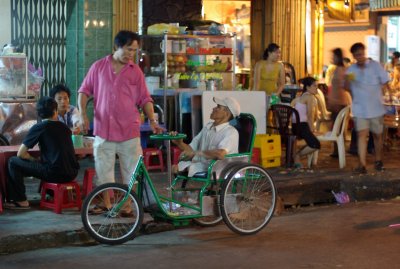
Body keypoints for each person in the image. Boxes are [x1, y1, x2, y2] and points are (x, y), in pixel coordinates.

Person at [77, 30, 163, 189]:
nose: (131, 54)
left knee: (132, 173)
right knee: (104, 173)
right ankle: (108, 206)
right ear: (117, 46)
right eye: (128, 49)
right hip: (104, 130)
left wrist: (152, 120)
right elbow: (84, 91)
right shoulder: (98, 67)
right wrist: (82, 114)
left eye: (134, 51)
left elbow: (145, 98)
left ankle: (128, 206)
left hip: (129, 130)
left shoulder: (135, 71)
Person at [5, 96, 80, 209]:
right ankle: (50, 194)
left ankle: (21, 200)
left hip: (54, 174)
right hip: (72, 173)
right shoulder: (65, 128)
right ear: (55, 111)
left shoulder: (39, 127)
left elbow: (20, 154)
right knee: (47, 162)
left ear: (39, 114)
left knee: (13, 162)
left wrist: (33, 159)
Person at [345, 42, 390, 174]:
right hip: (360, 109)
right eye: (356, 55)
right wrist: (348, 81)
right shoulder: (352, 70)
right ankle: (362, 164)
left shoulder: (375, 66)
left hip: (376, 108)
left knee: (377, 135)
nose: (359, 57)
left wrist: (379, 93)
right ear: (353, 56)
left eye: (360, 54)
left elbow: (385, 81)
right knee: (361, 135)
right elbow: (347, 86)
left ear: (364, 52)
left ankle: (378, 160)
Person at [171, 97, 241, 177]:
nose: (214, 108)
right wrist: (179, 143)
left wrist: (197, 153)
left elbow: (221, 154)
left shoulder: (231, 132)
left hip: (216, 168)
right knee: (175, 167)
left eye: (218, 107)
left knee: (180, 168)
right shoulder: (208, 127)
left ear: (227, 114)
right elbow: (191, 149)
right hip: (202, 164)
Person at [327, 48, 352, 157]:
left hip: (339, 103)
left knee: (337, 128)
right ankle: (337, 151)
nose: (332, 58)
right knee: (337, 128)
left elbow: (342, 87)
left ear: (338, 57)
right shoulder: (340, 69)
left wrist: (333, 101)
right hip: (339, 103)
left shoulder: (342, 70)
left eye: (333, 56)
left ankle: (338, 151)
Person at [291, 76, 321, 168]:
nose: (317, 88)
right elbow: (310, 115)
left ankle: (296, 156)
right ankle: (297, 156)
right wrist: (312, 128)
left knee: (312, 142)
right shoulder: (310, 97)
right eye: (314, 86)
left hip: (295, 126)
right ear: (307, 87)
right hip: (302, 125)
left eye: (317, 86)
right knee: (316, 144)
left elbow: (292, 105)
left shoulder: (300, 97)